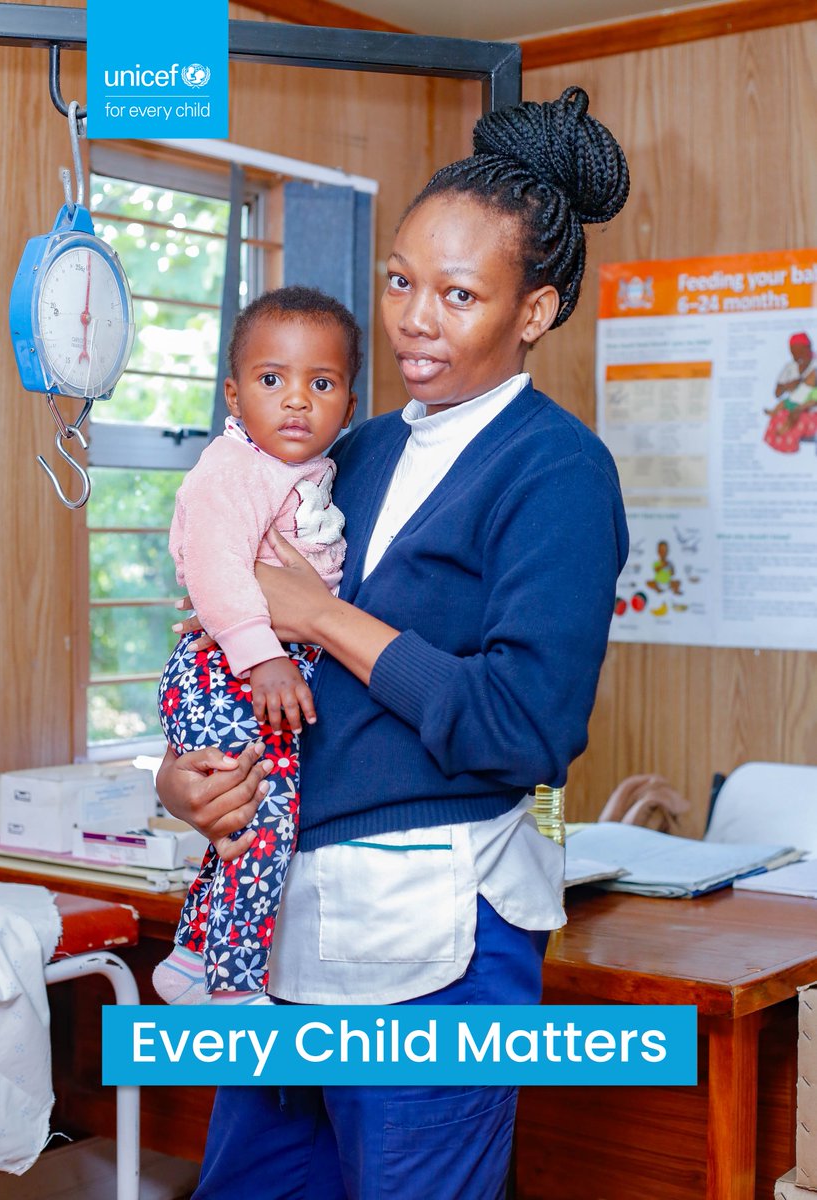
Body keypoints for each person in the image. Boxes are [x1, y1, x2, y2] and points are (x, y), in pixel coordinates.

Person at [158, 85, 630, 1199]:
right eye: (402, 281)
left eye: (460, 294)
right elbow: (238, 636)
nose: (416, 318)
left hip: (441, 938)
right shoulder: (348, 450)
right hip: (288, 925)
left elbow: (524, 725)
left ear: (536, 310)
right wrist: (186, 782)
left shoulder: (556, 473)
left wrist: (320, 613)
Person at [154, 285, 359, 1005]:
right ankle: (235, 988)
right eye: (273, 382)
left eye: (321, 383)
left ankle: (192, 953)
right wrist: (261, 651)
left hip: (255, 667)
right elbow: (211, 563)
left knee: (254, 811)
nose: (297, 400)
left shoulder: (304, 466)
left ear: (349, 405)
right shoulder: (235, 468)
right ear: (236, 397)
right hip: (227, 670)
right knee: (262, 820)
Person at [763, 331, 817, 453]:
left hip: (809, 410)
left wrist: (801, 408)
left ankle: (789, 446)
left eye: (799, 352)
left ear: (808, 348)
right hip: (792, 403)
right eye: (793, 352)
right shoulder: (789, 367)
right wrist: (788, 386)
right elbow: (777, 393)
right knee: (780, 412)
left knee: (794, 418)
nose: (795, 356)